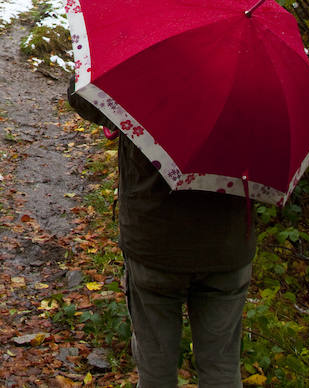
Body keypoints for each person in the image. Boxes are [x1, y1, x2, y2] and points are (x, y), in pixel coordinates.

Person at [67, 79, 256, 388]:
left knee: (156, 369)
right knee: (222, 366)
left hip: (153, 244)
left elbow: (84, 97)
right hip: (226, 246)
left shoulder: (146, 70)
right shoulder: (248, 81)